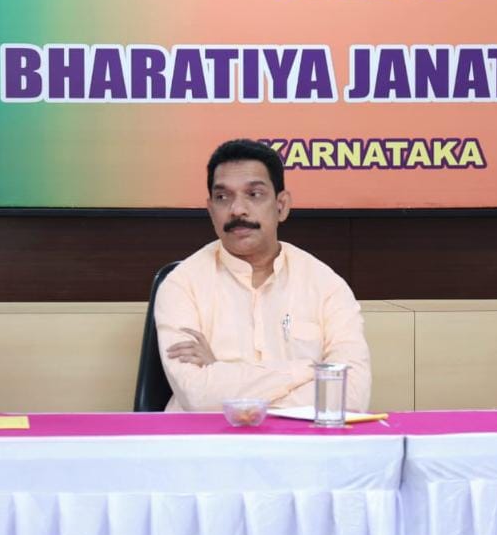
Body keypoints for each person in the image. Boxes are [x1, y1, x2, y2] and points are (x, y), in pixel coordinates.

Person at [155, 139, 372, 412]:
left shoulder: (326, 285)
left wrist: (219, 374)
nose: (237, 209)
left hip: (302, 439)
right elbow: (197, 397)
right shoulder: (181, 284)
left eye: (254, 194)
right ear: (211, 211)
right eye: (223, 197)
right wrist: (308, 371)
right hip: (206, 437)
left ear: (281, 206)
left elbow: (350, 395)